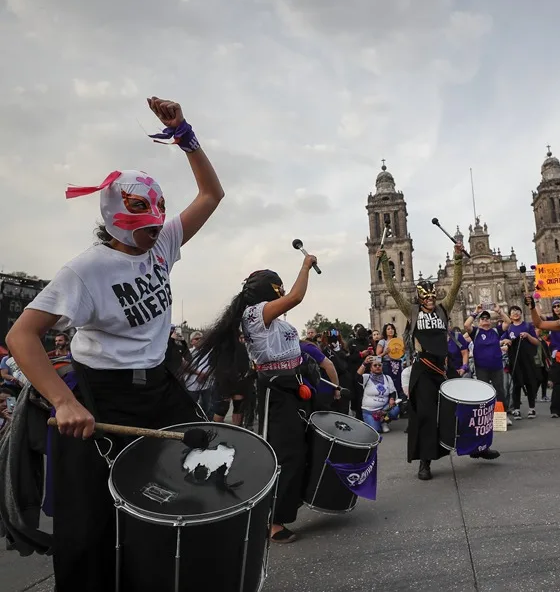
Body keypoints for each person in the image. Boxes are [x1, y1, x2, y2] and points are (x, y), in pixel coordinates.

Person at [5, 96, 224, 592]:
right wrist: (63, 401)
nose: (152, 236)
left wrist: (185, 135)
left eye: (155, 226)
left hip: (160, 391)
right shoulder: (85, 271)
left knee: (191, 496)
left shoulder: (164, 242)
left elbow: (211, 195)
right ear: (113, 220)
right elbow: (21, 335)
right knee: (89, 532)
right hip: (103, 397)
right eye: (141, 228)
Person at [191, 258, 331, 545]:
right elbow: (296, 297)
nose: (282, 293)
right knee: (283, 453)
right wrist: (305, 266)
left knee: (299, 449)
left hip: (294, 385)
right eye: (276, 287)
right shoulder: (255, 314)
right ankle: (272, 522)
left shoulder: (273, 319)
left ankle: (286, 509)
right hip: (276, 389)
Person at [377, 243, 500, 481]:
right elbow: (392, 290)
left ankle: (477, 447)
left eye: (433, 296)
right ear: (420, 299)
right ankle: (425, 462)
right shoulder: (411, 311)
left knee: (464, 408)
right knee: (425, 415)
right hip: (423, 369)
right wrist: (383, 261)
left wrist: (456, 258)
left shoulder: (444, 309)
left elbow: (455, 284)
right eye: (427, 297)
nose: (431, 299)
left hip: (444, 367)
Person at [356, 355, 400, 433]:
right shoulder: (367, 377)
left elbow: (392, 392)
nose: (377, 367)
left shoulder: (387, 378)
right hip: (369, 411)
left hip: (384, 409)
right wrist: (364, 363)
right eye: (375, 365)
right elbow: (357, 376)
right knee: (376, 431)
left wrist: (392, 399)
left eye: (379, 365)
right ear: (371, 368)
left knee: (395, 409)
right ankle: (377, 422)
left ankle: (384, 422)